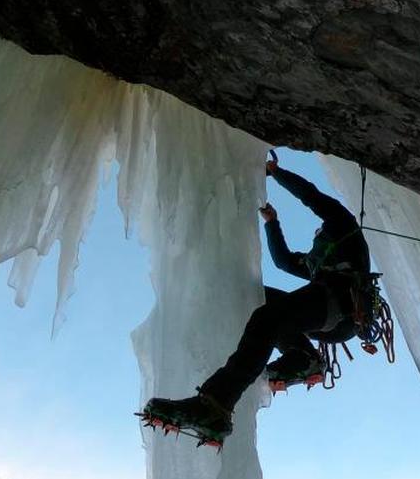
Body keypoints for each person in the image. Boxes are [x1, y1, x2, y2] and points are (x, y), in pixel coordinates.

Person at [139, 154, 371, 447]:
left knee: (268, 317)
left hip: (343, 303)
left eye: (317, 234)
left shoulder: (344, 226)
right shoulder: (318, 263)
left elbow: (312, 197)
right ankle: (303, 357)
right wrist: (272, 223)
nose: (315, 237)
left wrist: (277, 173)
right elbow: (285, 262)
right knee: (255, 297)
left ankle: (215, 404)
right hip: (329, 313)